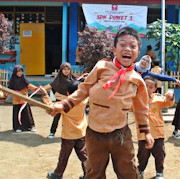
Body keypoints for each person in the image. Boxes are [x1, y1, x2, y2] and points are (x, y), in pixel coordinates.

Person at [47, 27, 154, 178]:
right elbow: (83, 90)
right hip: (94, 134)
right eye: (122, 44)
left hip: (120, 134)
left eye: (133, 46)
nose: (127, 49)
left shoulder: (138, 81)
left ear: (138, 52)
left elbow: (141, 110)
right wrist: (63, 105)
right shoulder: (101, 67)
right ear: (114, 49)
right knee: (94, 173)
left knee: (128, 172)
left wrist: (146, 133)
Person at [43, 78, 88, 179]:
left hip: (68, 136)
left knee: (64, 157)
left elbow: (50, 107)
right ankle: (88, 174)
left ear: (68, 93)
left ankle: (58, 175)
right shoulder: (84, 101)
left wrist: (45, 96)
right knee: (84, 157)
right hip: (81, 133)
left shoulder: (65, 106)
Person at [137, 75, 174, 179]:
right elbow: (127, 106)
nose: (147, 89)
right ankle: (140, 170)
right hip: (143, 133)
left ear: (155, 89)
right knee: (142, 155)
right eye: (145, 86)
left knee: (159, 154)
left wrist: (170, 96)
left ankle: (159, 172)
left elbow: (168, 103)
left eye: (150, 87)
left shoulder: (158, 99)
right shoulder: (137, 99)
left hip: (158, 133)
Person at [44, 62, 76, 138]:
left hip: (69, 102)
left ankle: (70, 133)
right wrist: (40, 89)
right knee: (56, 118)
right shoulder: (57, 80)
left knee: (70, 119)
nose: (66, 71)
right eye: (64, 69)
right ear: (61, 70)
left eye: (68, 69)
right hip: (59, 102)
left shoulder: (73, 79)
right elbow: (49, 86)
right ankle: (52, 132)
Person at [8, 65, 38, 133]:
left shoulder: (24, 80)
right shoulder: (12, 81)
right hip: (16, 100)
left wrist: (36, 88)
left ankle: (30, 126)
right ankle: (18, 127)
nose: (20, 73)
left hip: (24, 99)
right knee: (17, 113)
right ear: (15, 72)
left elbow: (29, 86)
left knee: (27, 114)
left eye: (21, 71)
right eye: (18, 71)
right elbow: (9, 89)